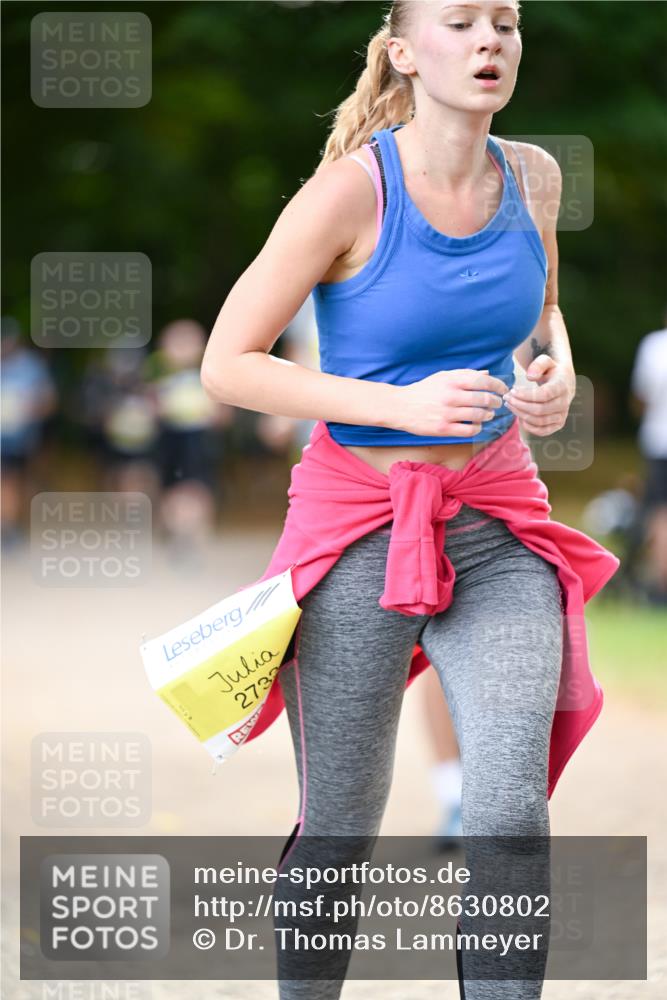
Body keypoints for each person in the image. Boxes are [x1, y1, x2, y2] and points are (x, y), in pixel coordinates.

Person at [201, 2, 619, 996]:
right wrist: (399, 403)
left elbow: (541, 313)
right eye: (461, 21)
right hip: (360, 529)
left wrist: (553, 371)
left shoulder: (534, 176)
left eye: (506, 23)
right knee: (341, 822)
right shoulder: (346, 195)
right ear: (402, 49)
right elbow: (228, 363)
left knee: (511, 809)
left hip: (497, 524)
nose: (488, 41)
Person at [628, 311, 667, 603]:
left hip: (658, 441)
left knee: (660, 514)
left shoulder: (654, 346)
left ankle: (660, 586)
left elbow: (640, 398)